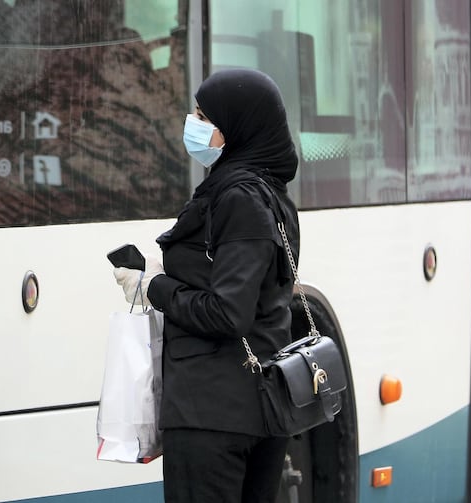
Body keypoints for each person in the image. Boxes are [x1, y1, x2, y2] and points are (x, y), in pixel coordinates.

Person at [113, 68, 300, 503]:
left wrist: (154, 287)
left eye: (204, 117)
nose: (193, 125)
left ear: (236, 128)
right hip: (259, 408)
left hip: (214, 415)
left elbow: (228, 312)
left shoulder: (240, 198)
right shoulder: (272, 196)